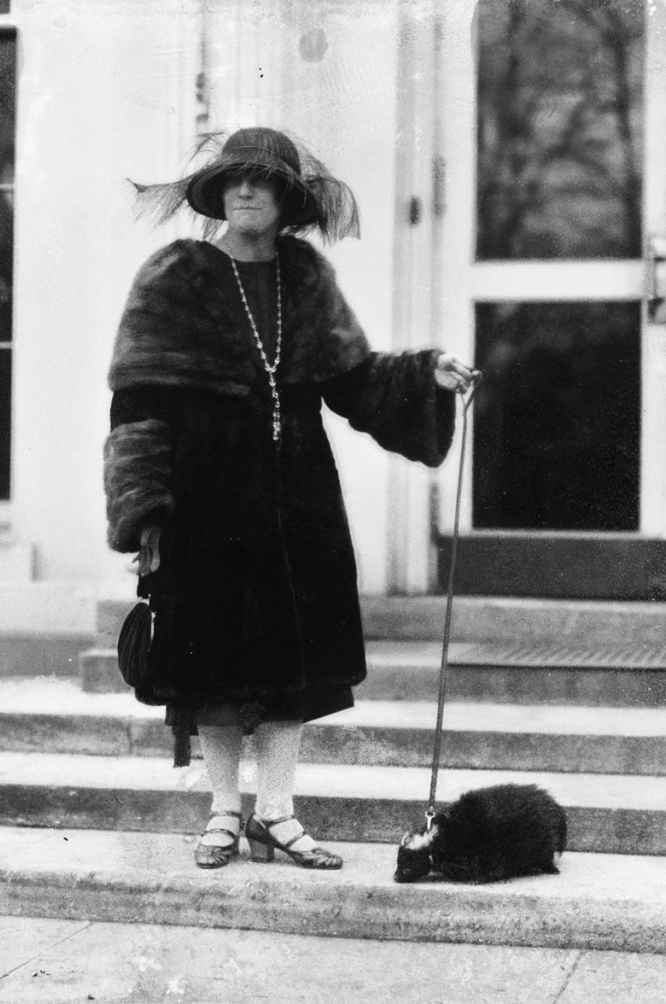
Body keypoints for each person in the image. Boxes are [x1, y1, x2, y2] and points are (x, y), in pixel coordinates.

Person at [104, 127, 478, 871]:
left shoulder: (306, 278)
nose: (246, 192)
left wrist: (428, 372)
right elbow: (138, 404)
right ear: (217, 195)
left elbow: (356, 378)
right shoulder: (173, 276)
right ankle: (221, 814)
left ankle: (276, 813)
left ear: (284, 200)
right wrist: (145, 508)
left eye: (263, 182)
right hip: (202, 503)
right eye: (234, 181)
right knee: (209, 662)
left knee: (289, 664)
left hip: (297, 503)